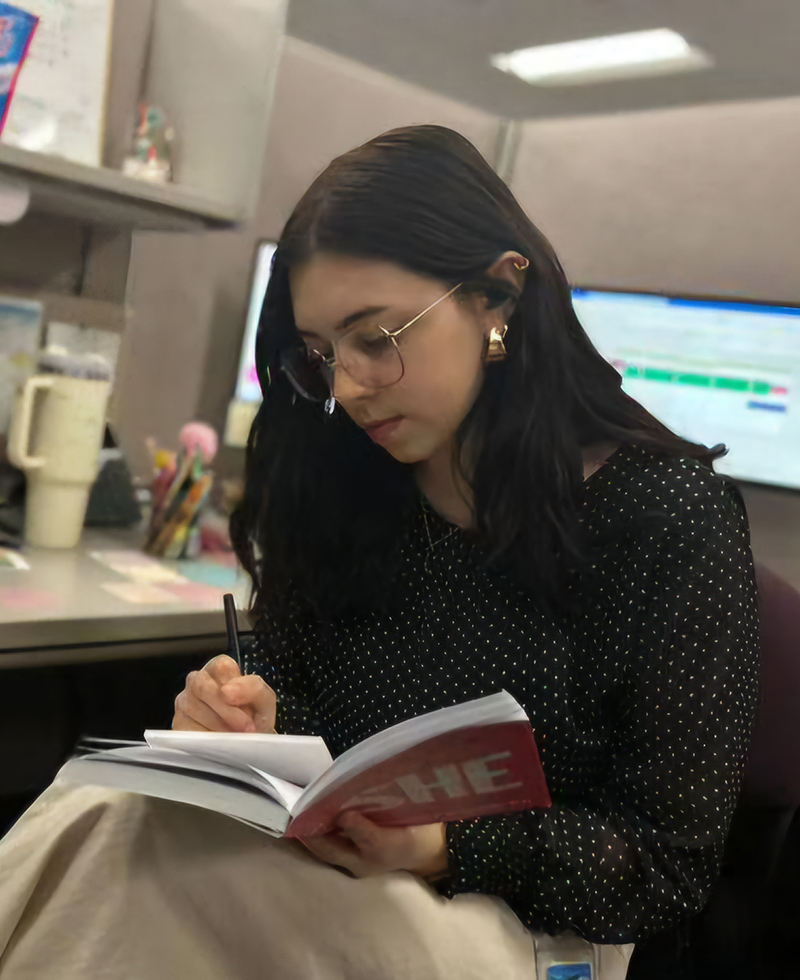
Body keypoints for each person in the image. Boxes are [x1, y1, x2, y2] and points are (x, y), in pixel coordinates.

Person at [0, 125, 759, 980]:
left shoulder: (665, 517)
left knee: (133, 863)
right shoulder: (349, 484)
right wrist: (250, 728)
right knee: (109, 811)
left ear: (498, 299)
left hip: (527, 926)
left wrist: (445, 847)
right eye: (323, 355)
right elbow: (308, 728)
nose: (348, 388)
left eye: (378, 338)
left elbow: (666, 869)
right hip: (327, 873)